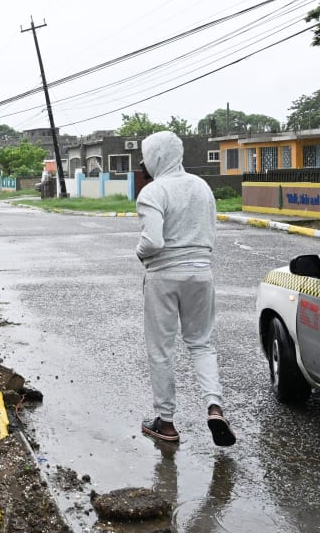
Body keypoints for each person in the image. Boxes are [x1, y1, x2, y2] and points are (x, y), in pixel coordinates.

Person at [135, 131, 236, 447]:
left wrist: (139, 253)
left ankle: (165, 423)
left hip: (164, 276)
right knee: (201, 344)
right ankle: (214, 407)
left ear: (157, 157)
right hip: (201, 273)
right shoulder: (202, 188)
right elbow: (211, 233)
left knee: (162, 348)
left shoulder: (153, 192)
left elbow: (152, 242)